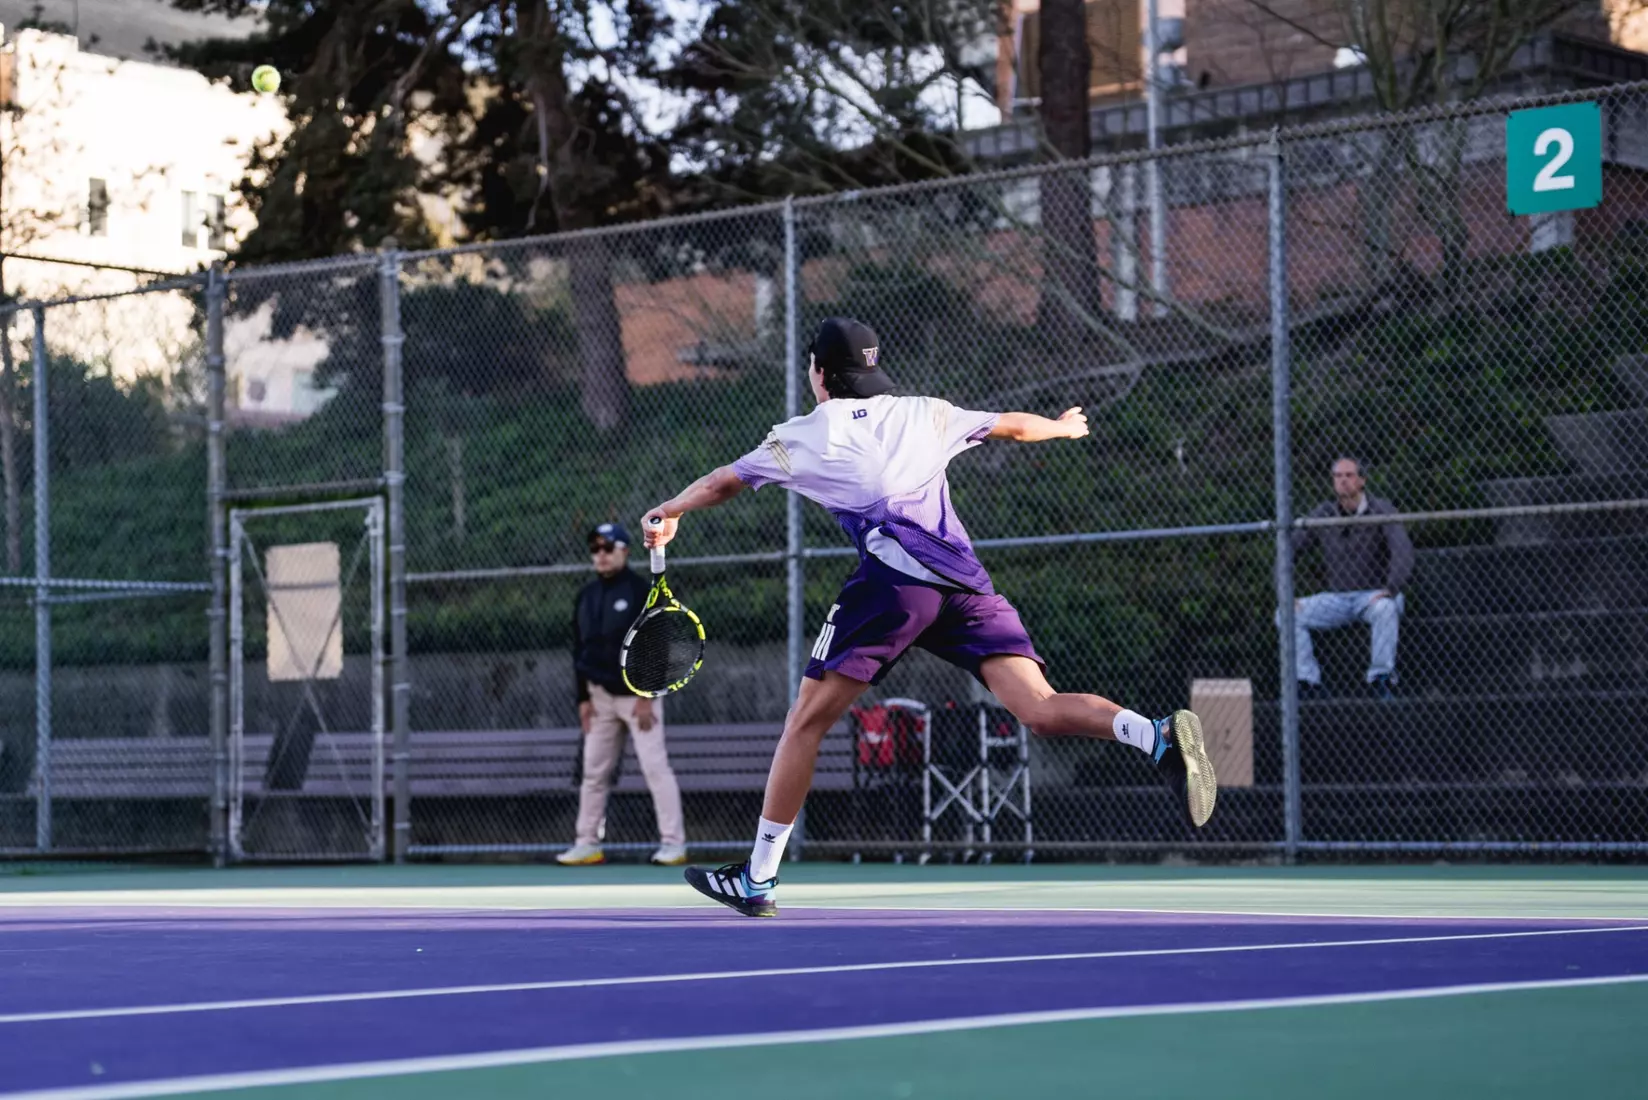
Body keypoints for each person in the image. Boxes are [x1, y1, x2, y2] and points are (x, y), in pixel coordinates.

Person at [642, 317, 1216, 918]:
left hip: (893, 584)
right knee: (1039, 708)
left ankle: (757, 879)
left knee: (804, 724)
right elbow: (1014, 427)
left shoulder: (803, 435)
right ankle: (1154, 734)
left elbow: (722, 483)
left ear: (817, 372)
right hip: (965, 584)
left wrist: (670, 508)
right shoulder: (926, 411)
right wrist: (1065, 428)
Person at [557, 521, 688, 866]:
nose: (600, 555)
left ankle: (673, 844)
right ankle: (587, 843)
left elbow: (657, 645)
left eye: (607, 548)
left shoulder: (641, 591)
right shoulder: (585, 596)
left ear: (625, 551)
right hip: (598, 699)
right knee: (593, 773)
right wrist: (582, 699)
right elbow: (579, 652)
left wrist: (647, 696)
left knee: (655, 769)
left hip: (637, 699)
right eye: (595, 549)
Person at [1287, 457, 1414, 701]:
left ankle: (1381, 678)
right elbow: (1289, 550)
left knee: (1387, 609)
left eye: (1349, 475)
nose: (1343, 481)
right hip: (1338, 598)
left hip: (1373, 595)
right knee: (1287, 614)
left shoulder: (1381, 509)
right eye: (1338, 476)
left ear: (1362, 480)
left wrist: (1391, 587)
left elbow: (1402, 550)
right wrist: (1285, 591)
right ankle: (1307, 682)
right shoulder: (1324, 513)